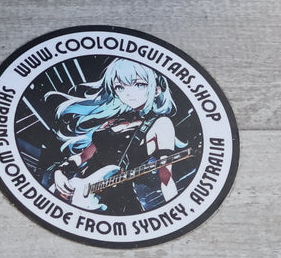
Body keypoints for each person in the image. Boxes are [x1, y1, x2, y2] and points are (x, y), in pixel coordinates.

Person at [42, 58, 187, 212]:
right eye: (120, 87)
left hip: (117, 203)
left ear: (157, 90)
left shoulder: (161, 123)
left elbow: (166, 178)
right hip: (80, 192)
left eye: (139, 84)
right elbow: (84, 156)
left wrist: (175, 212)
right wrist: (60, 172)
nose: (129, 93)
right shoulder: (112, 122)